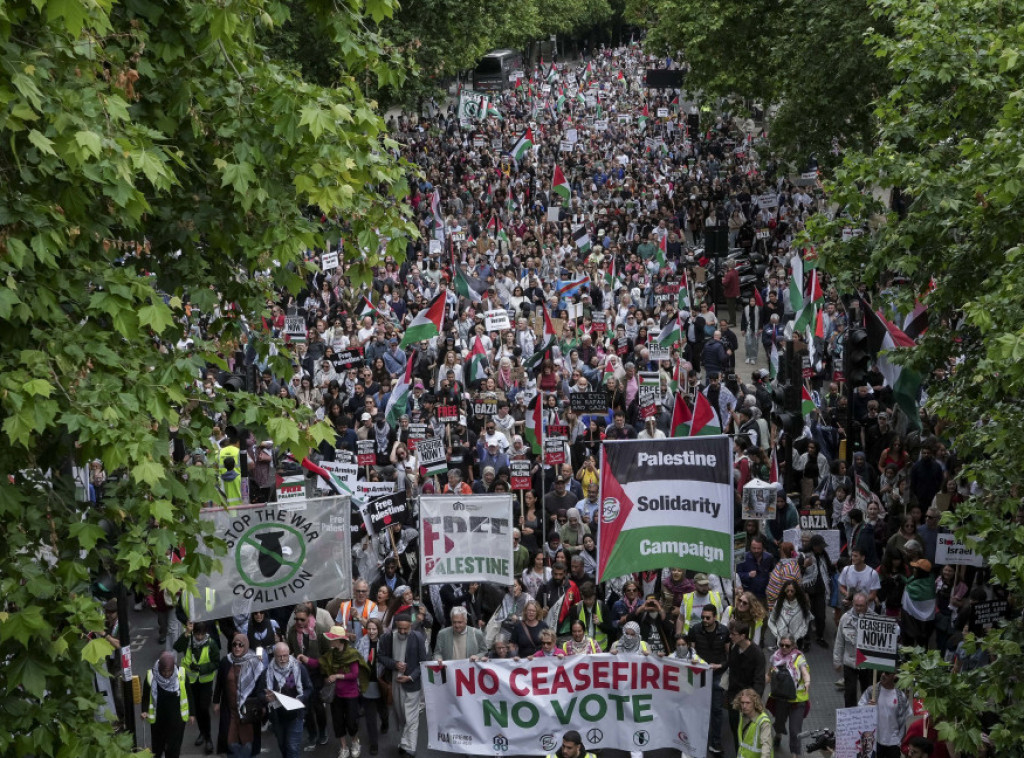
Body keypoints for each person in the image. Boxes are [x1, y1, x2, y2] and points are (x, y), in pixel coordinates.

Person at [308, 626, 369, 758]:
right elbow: (318, 662)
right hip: (336, 695)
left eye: (332, 639)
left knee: (352, 722)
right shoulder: (331, 654)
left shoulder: (352, 654)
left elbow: (354, 674)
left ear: (339, 640)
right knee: (337, 722)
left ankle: (355, 742)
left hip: (351, 694)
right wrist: (304, 659)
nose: (329, 641)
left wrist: (336, 676)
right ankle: (343, 747)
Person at [379, 614, 429, 758]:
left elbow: (423, 662)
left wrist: (411, 677)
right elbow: (381, 656)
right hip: (395, 682)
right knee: (401, 714)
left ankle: (410, 748)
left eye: (405, 629)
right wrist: (395, 664)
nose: (402, 632)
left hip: (412, 683)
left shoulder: (418, 638)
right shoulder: (388, 638)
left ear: (410, 626)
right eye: (399, 628)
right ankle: (404, 742)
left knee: (412, 717)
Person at [686, 604, 730, 754]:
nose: (704, 620)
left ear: (715, 617)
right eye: (703, 617)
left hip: (717, 675)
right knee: (696, 708)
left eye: (708, 617)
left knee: (717, 710)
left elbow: (728, 654)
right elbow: (692, 650)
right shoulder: (695, 630)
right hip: (700, 676)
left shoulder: (724, 631)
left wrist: (721, 665)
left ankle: (715, 742)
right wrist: (694, 659)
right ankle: (696, 739)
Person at [213, 633, 265, 758]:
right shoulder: (226, 661)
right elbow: (219, 682)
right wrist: (216, 701)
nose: (237, 648)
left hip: (248, 712)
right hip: (230, 710)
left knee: (248, 744)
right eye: (234, 645)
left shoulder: (254, 663)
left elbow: (261, 687)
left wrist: (261, 705)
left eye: (241, 645)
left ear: (246, 646)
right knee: (230, 742)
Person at [288, 603, 330, 750]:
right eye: (296, 619)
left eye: (302, 620)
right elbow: (291, 650)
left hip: (317, 672)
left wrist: (311, 661)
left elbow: (328, 656)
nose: (298, 622)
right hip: (301, 673)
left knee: (317, 704)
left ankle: (323, 730)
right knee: (305, 705)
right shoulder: (293, 632)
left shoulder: (320, 631)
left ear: (309, 618)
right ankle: (312, 733)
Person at [174, 621, 219, 755]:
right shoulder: (188, 641)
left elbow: (216, 663)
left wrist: (200, 668)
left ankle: (208, 738)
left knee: (204, 708)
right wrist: (187, 633)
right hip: (191, 681)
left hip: (205, 681)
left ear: (205, 633)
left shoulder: (211, 644)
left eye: (202, 634)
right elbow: (176, 647)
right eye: (197, 634)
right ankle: (202, 732)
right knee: (197, 708)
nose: (199, 637)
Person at [262, 642, 313, 758]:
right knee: (283, 746)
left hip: (295, 715)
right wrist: (265, 698)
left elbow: (309, 688)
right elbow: (260, 692)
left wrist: (301, 698)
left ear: (289, 654)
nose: (282, 659)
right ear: (274, 656)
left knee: (293, 747)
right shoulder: (267, 672)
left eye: (285, 655)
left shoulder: (299, 668)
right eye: (279, 656)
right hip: (277, 716)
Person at [766, 635, 811, 758]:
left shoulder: (799, 658)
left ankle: (794, 754)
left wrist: (807, 682)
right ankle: (778, 734)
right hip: (781, 698)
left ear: (794, 646)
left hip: (797, 701)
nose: (784, 648)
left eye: (787, 645)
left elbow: (805, 672)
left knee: (795, 730)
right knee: (779, 722)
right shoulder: (775, 657)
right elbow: (769, 672)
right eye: (781, 645)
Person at [141, 651, 192, 758]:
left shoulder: (181, 673)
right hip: (158, 720)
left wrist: (192, 713)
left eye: (169, 671)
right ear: (159, 667)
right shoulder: (151, 675)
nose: (167, 674)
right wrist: (144, 710)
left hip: (176, 720)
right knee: (157, 748)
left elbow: (189, 694)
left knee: (173, 750)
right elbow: (145, 695)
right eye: (164, 671)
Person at [354, 617, 389, 756]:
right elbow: (356, 660)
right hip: (367, 682)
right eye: (369, 629)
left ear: (378, 629)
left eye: (374, 629)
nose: (371, 631)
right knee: (370, 716)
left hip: (380, 681)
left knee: (382, 708)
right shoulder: (361, 642)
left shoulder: (385, 642)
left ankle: (385, 721)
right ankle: (374, 743)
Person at [726, 621, 766, 740]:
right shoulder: (735, 647)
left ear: (743, 636)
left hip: (747, 700)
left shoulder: (757, 654)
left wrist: (751, 702)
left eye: (733, 634)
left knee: (747, 733)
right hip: (733, 697)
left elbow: (759, 681)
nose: (730, 636)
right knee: (735, 730)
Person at [859, 670, 912, 758]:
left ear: (894, 675)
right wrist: (867, 708)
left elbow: (906, 719)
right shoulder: (872, 691)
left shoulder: (901, 696)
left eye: (887, 673)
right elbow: (859, 710)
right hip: (875, 741)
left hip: (894, 743)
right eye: (882, 672)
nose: (883, 675)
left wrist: (900, 741)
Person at [834, 593, 874, 707]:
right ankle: (850, 719)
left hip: (867, 662)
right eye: (856, 605)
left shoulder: (875, 618)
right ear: (852, 604)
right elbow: (839, 641)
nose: (859, 608)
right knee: (850, 693)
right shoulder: (845, 618)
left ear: (867, 604)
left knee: (868, 692)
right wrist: (837, 661)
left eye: (861, 606)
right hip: (850, 661)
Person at [767, 580, 812, 648]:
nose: (789, 593)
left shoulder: (802, 604)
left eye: (792, 591)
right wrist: (777, 633)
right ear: (784, 591)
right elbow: (771, 620)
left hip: (797, 641)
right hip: (781, 641)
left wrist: (798, 636)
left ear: (796, 591)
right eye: (787, 591)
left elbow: (805, 623)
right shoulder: (779, 603)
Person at [734, 688, 774, 758]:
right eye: (742, 702)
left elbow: (766, 746)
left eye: (748, 703)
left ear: (755, 703)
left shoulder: (763, 721)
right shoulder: (742, 715)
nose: (744, 706)